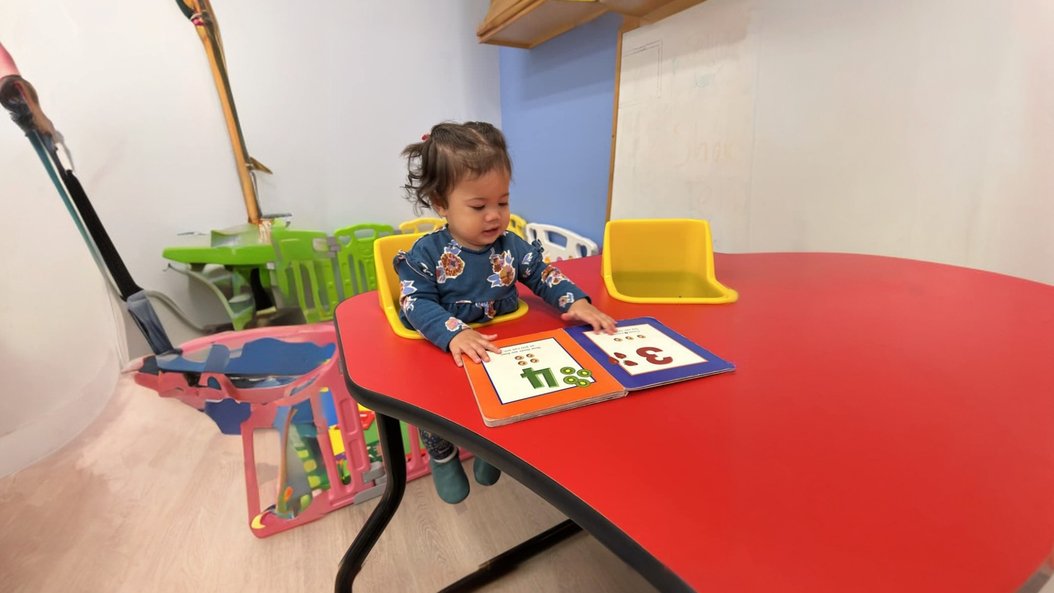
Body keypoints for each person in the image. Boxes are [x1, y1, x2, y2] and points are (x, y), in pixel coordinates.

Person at [394, 121, 616, 503]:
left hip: (498, 346)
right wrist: (453, 334)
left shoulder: (511, 246)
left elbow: (543, 273)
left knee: (508, 392)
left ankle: (487, 446)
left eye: (503, 202)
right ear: (440, 204)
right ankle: (442, 454)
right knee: (435, 406)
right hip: (445, 347)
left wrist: (574, 301)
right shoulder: (425, 255)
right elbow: (414, 302)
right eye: (479, 206)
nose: (495, 216)